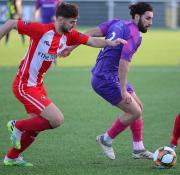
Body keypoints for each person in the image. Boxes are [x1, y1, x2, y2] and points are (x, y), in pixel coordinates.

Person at [0, 2, 126, 166]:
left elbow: (92, 41)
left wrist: (110, 43)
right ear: (60, 20)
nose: (75, 25)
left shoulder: (69, 35)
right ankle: (16, 126)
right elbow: (10, 23)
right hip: (24, 85)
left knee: (37, 125)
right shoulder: (40, 30)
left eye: (76, 21)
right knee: (57, 119)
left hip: (37, 85)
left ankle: (11, 157)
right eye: (72, 21)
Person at [62, 2, 154, 160]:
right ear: (137, 16)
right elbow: (123, 63)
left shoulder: (116, 22)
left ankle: (138, 149)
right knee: (134, 111)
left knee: (138, 106)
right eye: (147, 18)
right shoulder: (135, 35)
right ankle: (106, 139)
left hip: (109, 75)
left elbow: (89, 33)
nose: (150, 22)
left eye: (151, 19)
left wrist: (72, 47)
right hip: (105, 79)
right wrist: (124, 90)